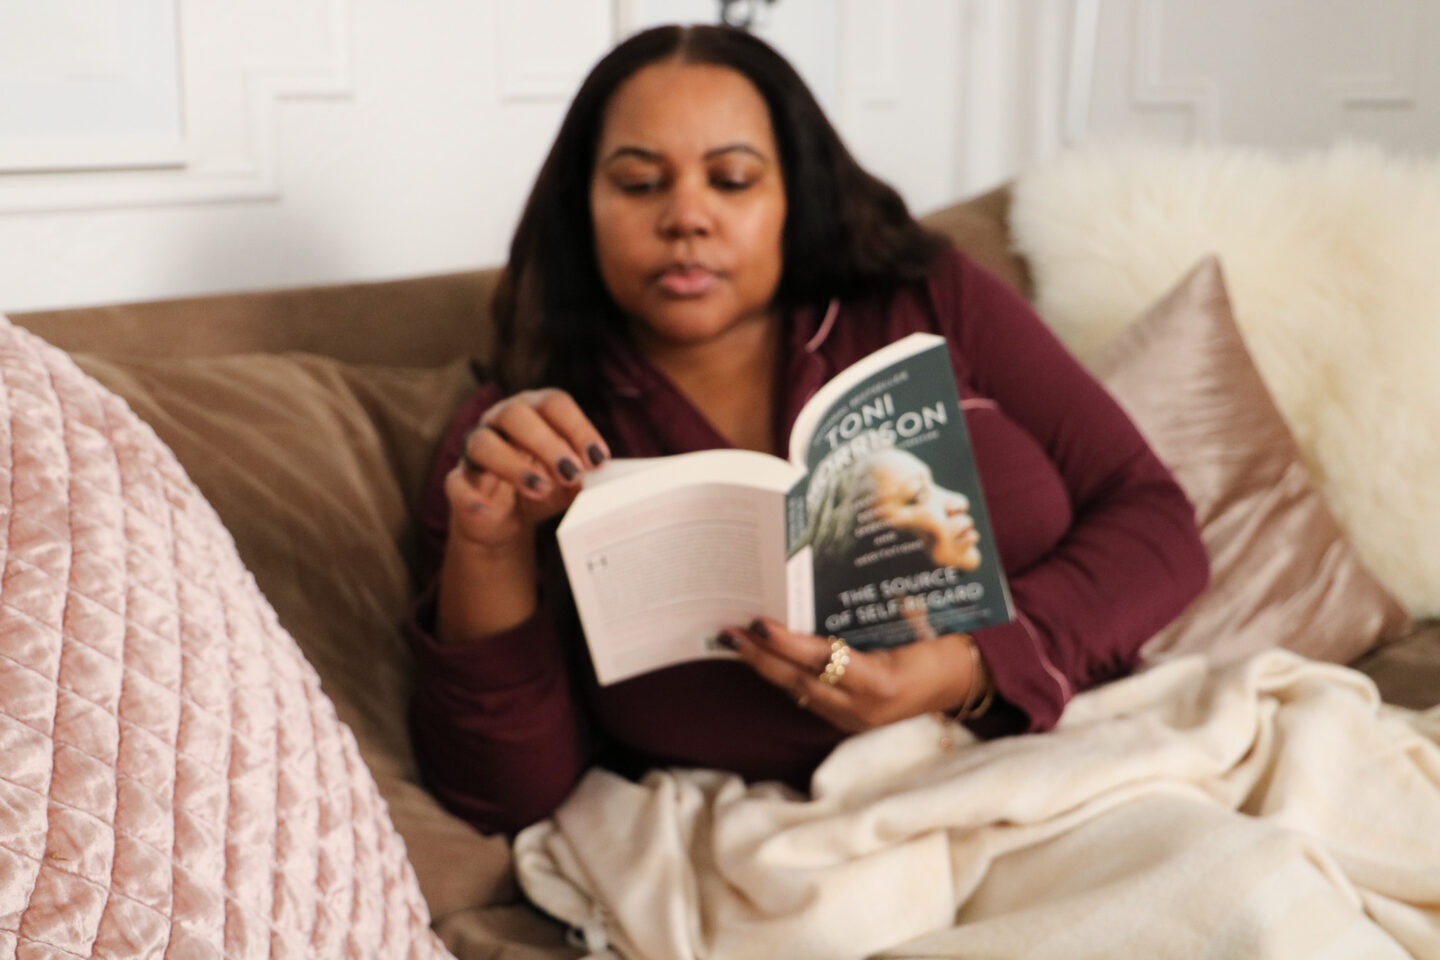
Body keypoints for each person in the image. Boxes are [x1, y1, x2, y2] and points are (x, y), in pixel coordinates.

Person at [407, 24, 1210, 836]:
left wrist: (968, 666)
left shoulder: (930, 299)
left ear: (795, 192)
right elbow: (501, 797)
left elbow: (1157, 523)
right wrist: (488, 548)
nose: (687, 216)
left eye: (731, 179)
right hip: (790, 842)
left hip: (1074, 765)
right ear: (584, 208)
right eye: (641, 183)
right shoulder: (517, 445)